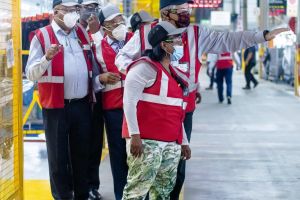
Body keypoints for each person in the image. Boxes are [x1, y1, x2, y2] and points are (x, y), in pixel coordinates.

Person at [115, 0, 288, 198]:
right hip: (147, 115)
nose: (185, 14)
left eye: (187, 10)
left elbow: (228, 40)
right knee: (141, 173)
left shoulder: (196, 34)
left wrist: (263, 36)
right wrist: (145, 74)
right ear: (165, 13)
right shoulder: (146, 34)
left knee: (174, 172)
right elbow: (122, 59)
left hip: (180, 111)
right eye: (181, 11)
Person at [26, 0, 94, 199]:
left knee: (82, 155)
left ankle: (82, 195)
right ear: (56, 12)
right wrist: (46, 58)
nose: (74, 13)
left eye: (75, 9)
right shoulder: (42, 36)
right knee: (58, 158)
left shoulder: (81, 33)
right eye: (69, 10)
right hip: (56, 107)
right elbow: (30, 73)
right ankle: (62, 197)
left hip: (81, 105)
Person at [122, 21, 191, 200]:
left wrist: (183, 141)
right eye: (176, 40)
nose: (180, 43)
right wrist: (134, 135)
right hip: (146, 142)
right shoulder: (143, 68)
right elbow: (128, 102)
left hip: (170, 142)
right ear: (164, 44)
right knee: (136, 191)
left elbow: (176, 111)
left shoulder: (174, 73)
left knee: (163, 192)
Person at [89, 3, 133, 200]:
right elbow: (89, 77)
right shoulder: (96, 46)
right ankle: (121, 195)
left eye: (120, 20)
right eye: (113, 22)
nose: (119, 24)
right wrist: (101, 78)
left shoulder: (135, 40)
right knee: (118, 154)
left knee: (139, 153)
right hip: (113, 108)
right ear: (104, 27)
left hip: (137, 106)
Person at [79, 1, 104, 199]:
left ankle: (91, 185)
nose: (92, 11)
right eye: (88, 6)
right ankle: (80, 186)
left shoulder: (101, 31)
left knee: (95, 143)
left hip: (99, 95)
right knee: (80, 145)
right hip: (80, 98)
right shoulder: (73, 32)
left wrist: (97, 33)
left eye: (95, 7)